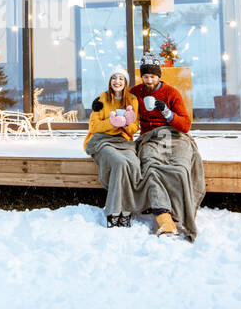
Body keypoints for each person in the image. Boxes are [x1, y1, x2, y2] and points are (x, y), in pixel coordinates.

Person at [130, 55, 206, 241]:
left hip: (174, 135)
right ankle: (164, 217)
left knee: (180, 168)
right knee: (151, 167)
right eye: (145, 76)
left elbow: (186, 125)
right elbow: (119, 103)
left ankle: (179, 214)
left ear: (159, 76)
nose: (149, 80)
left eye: (152, 77)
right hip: (150, 137)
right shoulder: (136, 92)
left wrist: (167, 113)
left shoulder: (172, 93)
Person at [83, 68, 143, 228]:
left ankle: (126, 210)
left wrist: (127, 123)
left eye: (121, 78)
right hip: (102, 141)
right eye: (114, 78)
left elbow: (134, 129)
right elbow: (94, 126)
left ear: (126, 82)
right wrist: (112, 123)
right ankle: (114, 212)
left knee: (134, 165)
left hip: (124, 142)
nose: (117, 81)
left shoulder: (132, 100)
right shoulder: (102, 99)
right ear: (110, 81)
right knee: (120, 163)